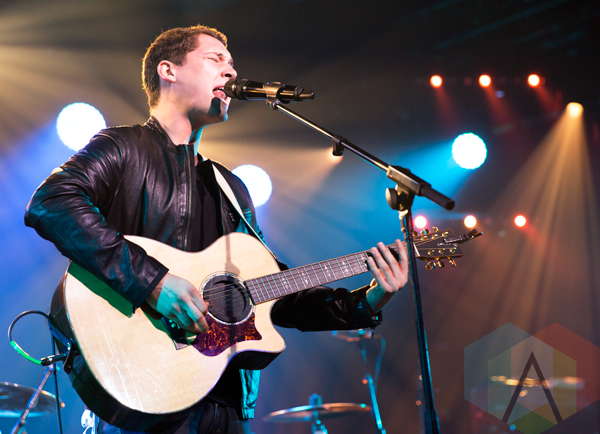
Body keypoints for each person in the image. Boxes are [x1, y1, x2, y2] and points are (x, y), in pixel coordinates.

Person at [25, 25, 408, 434]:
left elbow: (274, 292)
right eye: (216, 60)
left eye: (231, 64)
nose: (231, 72)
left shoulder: (231, 188)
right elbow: (51, 202)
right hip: (146, 389)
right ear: (168, 71)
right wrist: (153, 282)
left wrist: (366, 302)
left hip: (223, 404)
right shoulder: (123, 147)